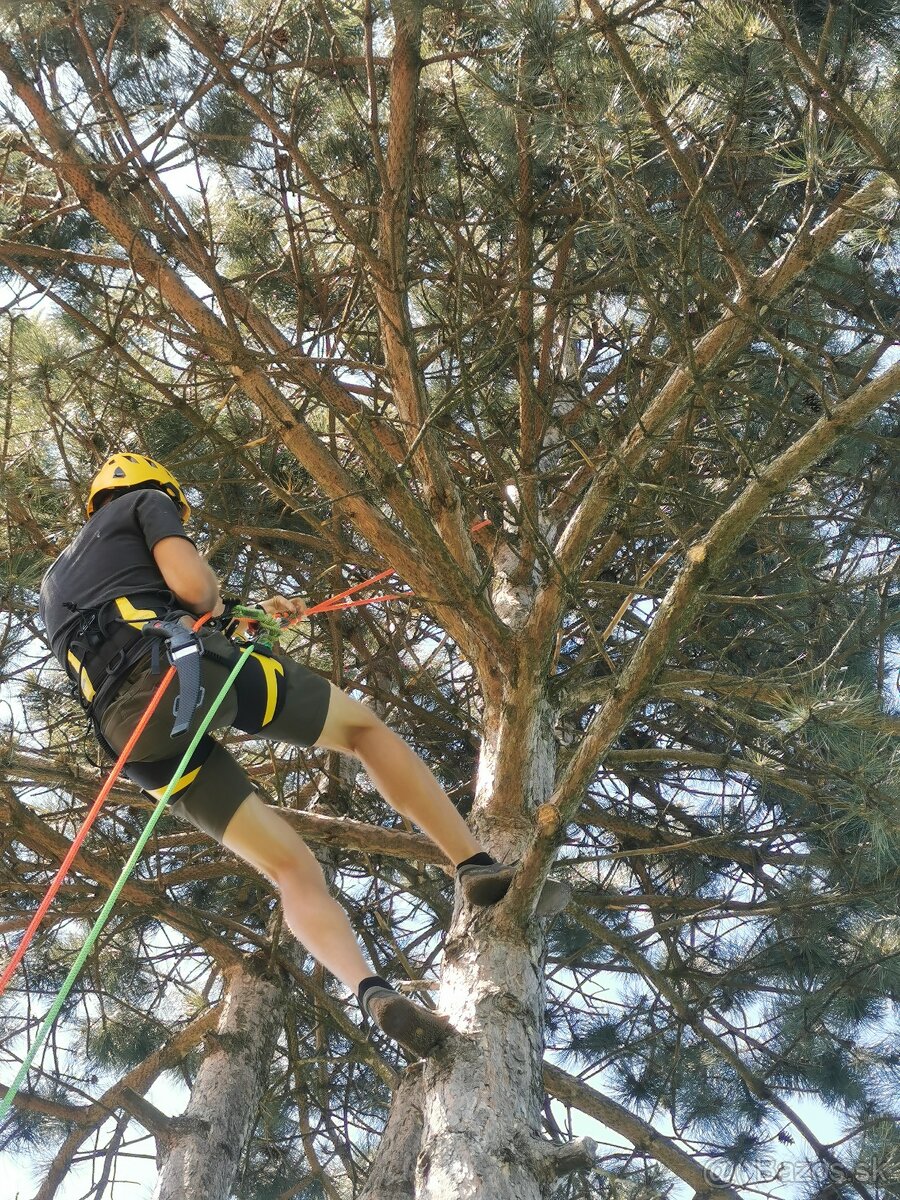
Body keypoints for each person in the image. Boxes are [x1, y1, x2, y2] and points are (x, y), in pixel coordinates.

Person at [39, 453, 568, 1056]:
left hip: (131, 739)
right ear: (151, 488)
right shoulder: (145, 502)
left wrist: (244, 614)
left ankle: (369, 990)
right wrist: (216, 602)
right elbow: (192, 590)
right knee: (363, 733)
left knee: (289, 867)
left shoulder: (54, 582)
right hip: (184, 672)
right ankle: (472, 863)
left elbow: (134, 611)